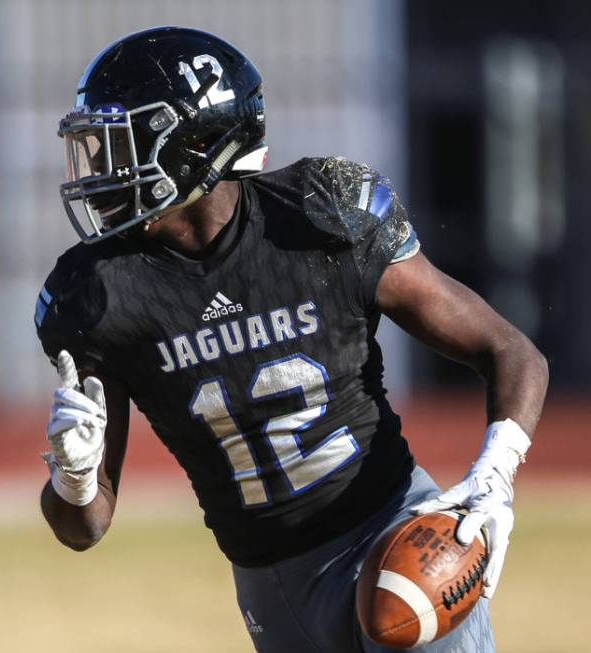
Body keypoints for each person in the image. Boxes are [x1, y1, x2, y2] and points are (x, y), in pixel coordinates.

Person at [33, 26, 547, 652]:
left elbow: (510, 351)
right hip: (272, 583)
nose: (100, 174)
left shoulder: (319, 215)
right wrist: (75, 478)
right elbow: (83, 528)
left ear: (192, 146)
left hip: (392, 528)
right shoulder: (97, 291)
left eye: (119, 147)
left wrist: (495, 475)